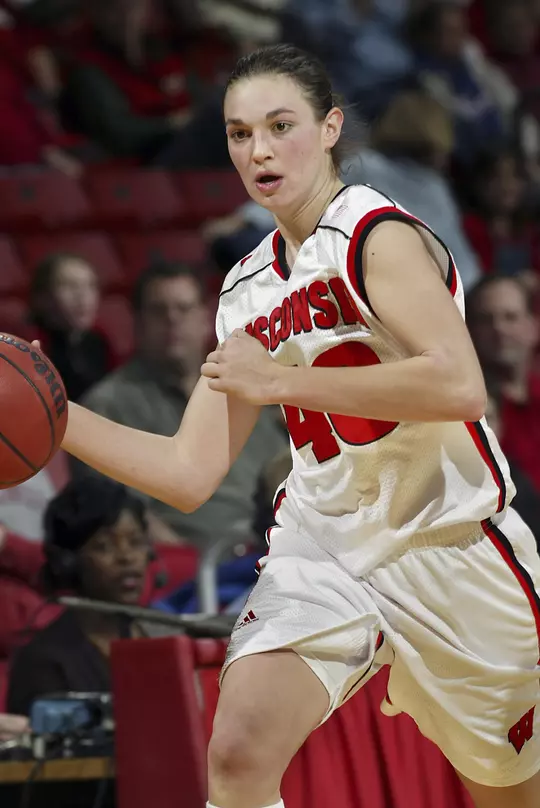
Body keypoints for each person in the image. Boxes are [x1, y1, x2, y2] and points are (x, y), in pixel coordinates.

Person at [48, 43, 540, 808]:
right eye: (240, 134)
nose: (260, 151)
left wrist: (278, 380)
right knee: (238, 754)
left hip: (450, 543)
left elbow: (459, 384)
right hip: (326, 547)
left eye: (281, 126)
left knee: (511, 793)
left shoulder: (376, 234)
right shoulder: (243, 289)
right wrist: (53, 417)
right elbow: (188, 472)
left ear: (330, 127)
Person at [72, 261, 288, 550]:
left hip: (273, 549)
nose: (172, 319)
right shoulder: (106, 405)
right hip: (189, 563)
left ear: (206, 319)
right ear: (137, 323)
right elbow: (119, 510)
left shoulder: (243, 391)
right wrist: (188, 562)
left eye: (184, 309)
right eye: (158, 311)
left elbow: (284, 476)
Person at [6, 478, 167, 717]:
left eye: (136, 542)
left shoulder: (167, 634)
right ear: (68, 562)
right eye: (104, 546)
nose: (127, 557)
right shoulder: (45, 662)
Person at [466, 275, 540, 492]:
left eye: (511, 317)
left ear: (533, 326)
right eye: (485, 319)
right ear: (469, 331)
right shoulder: (468, 409)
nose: (499, 328)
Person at [28, 252, 112, 402]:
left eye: (90, 285)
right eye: (69, 286)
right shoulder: (30, 345)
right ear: (43, 296)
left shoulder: (98, 342)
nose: (82, 296)